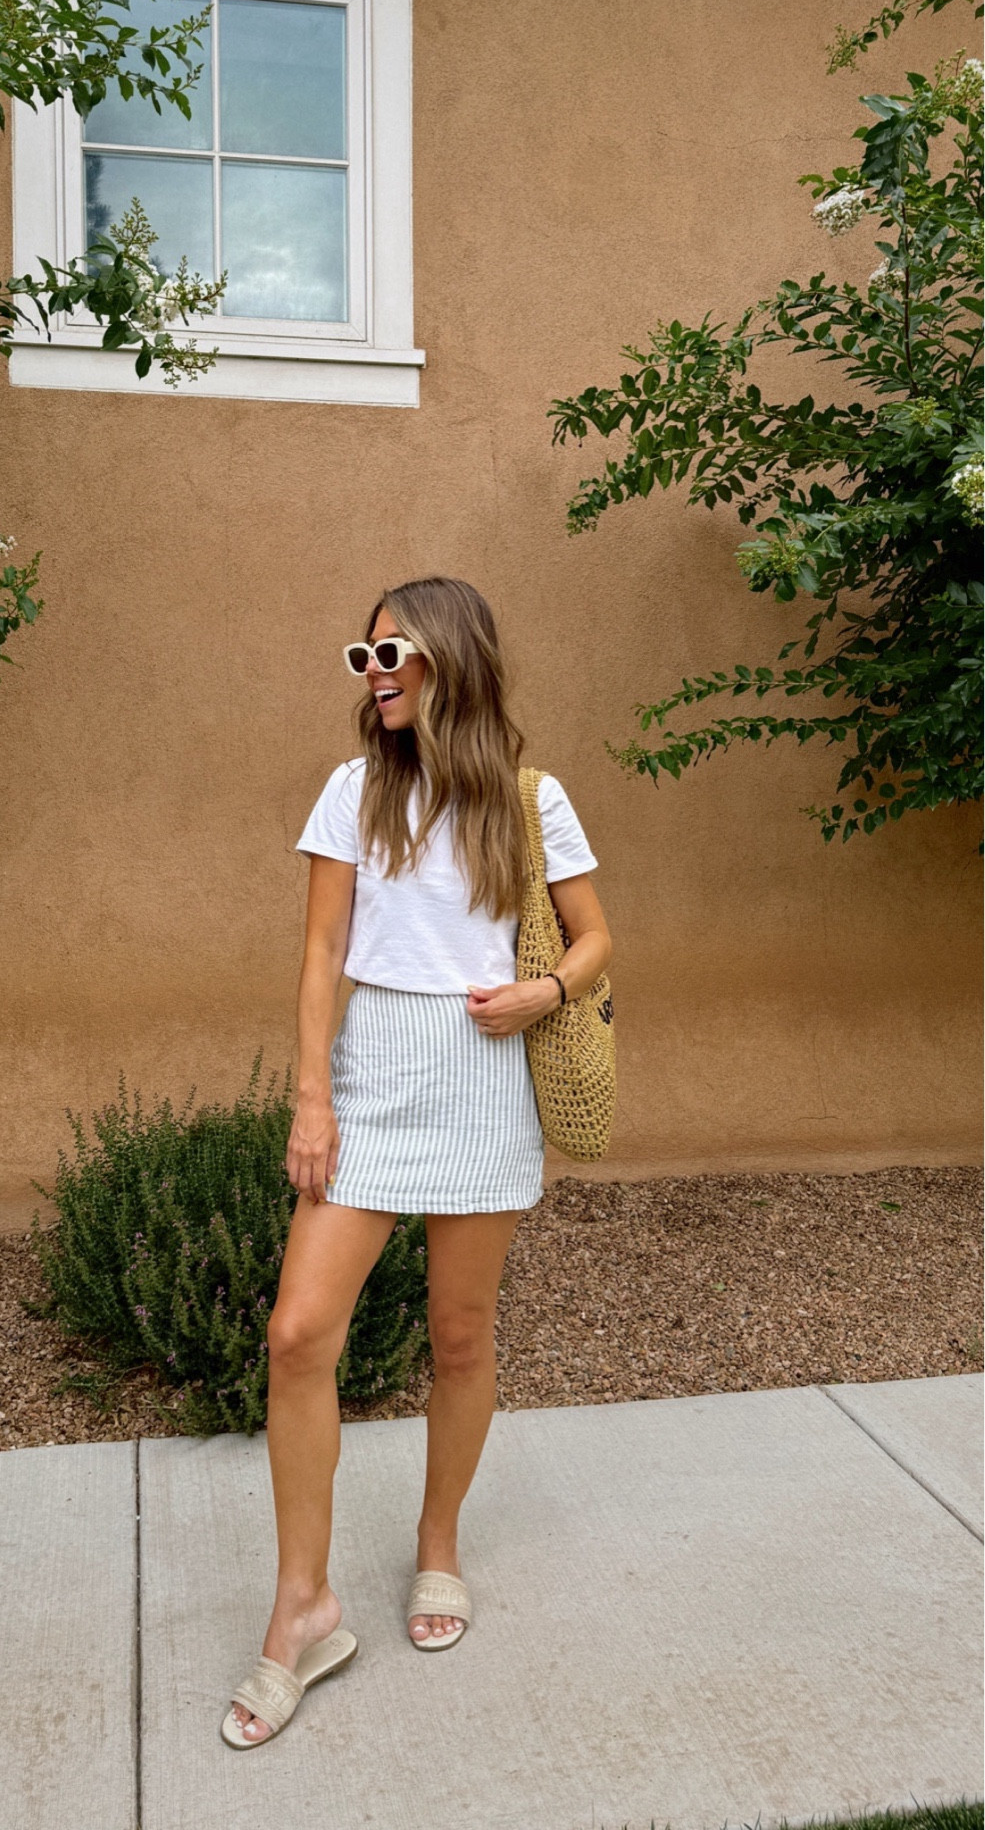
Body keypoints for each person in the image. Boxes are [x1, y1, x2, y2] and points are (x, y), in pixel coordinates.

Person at [223, 575, 612, 1748]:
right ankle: (303, 1604)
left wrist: (544, 990)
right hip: (372, 1074)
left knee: (460, 1334)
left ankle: (437, 1541)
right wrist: (311, 1096)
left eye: (390, 652)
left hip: (485, 1080)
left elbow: (595, 937)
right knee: (298, 1332)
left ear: (449, 658)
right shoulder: (354, 790)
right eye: (364, 655)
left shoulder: (531, 799)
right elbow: (320, 950)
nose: (374, 672)